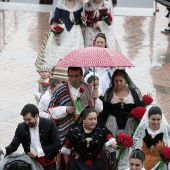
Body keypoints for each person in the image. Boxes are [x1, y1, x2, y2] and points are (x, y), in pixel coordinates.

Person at [101, 69, 144, 170]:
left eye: (121, 81)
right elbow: (104, 110)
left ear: (126, 81)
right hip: (112, 125)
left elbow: (140, 108)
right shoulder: (109, 93)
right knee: (113, 147)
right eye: (116, 81)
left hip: (129, 125)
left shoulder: (133, 92)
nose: (118, 83)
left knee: (128, 147)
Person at [48, 67, 103, 143]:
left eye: (76, 76)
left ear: (81, 76)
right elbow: (52, 111)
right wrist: (65, 110)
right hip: (67, 131)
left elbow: (99, 109)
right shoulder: (60, 91)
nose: (73, 79)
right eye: (71, 76)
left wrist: (95, 98)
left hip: (87, 131)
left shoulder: (89, 88)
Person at [0, 104, 61, 170]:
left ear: (36, 116)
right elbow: (13, 145)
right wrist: (3, 150)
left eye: (29, 119)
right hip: (30, 164)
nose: (26, 122)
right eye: (24, 120)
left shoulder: (48, 124)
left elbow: (57, 144)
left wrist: (38, 152)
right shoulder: (21, 127)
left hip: (48, 163)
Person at [133, 105, 170, 170]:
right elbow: (135, 146)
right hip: (142, 163)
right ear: (148, 118)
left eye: (158, 119)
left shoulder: (166, 131)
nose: (156, 122)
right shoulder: (142, 129)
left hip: (159, 165)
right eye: (153, 119)